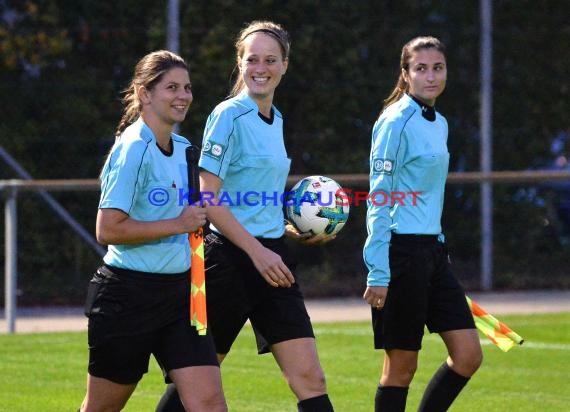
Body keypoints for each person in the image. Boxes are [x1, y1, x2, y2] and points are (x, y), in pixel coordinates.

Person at [156, 21, 335, 412]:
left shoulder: (278, 118)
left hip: (273, 261)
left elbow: (257, 199)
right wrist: (257, 251)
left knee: (311, 378)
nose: (261, 67)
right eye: (252, 58)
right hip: (227, 263)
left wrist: (291, 231)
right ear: (240, 63)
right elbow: (208, 198)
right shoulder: (228, 115)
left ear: (285, 65)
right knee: (198, 386)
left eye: (271, 59)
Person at [79, 50, 227, 412]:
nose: (183, 96)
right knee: (101, 408)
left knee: (209, 402)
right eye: (171, 87)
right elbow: (108, 229)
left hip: (181, 296)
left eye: (187, 87)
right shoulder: (132, 148)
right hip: (126, 297)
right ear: (144, 93)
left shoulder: (185, 149)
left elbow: (196, 217)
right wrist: (178, 224)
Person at [362, 36, 483, 412]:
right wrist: (378, 270)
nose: (430, 76)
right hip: (399, 254)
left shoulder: (439, 122)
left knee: (468, 355)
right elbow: (379, 197)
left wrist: (439, 244)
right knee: (401, 368)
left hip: (432, 252)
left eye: (438, 68)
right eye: (421, 69)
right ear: (405, 74)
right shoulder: (395, 121)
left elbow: (428, 193)